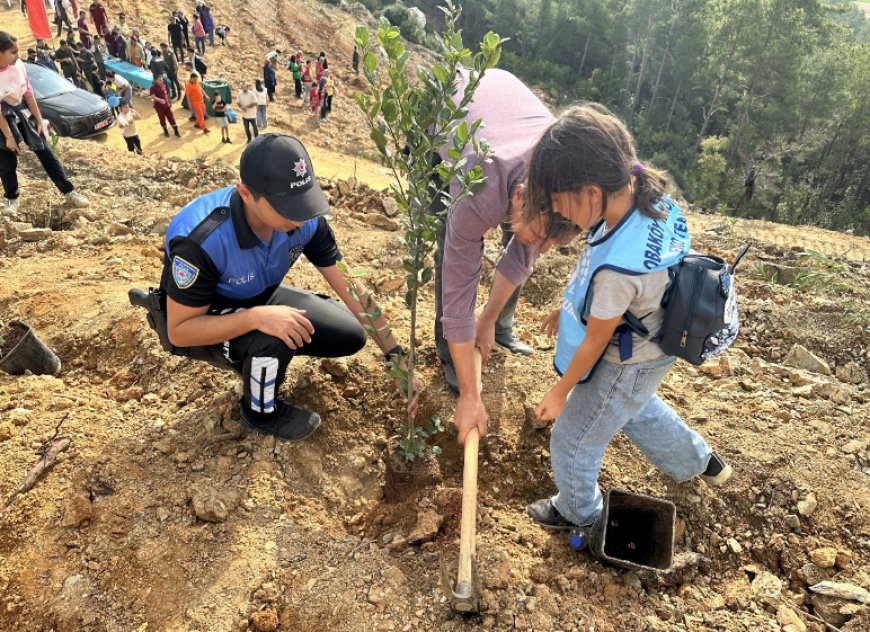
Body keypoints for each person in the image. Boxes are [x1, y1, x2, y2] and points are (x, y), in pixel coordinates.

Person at [521, 103, 732, 532]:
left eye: (561, 202)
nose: (560, 213)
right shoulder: (644, 198)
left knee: (574, 438)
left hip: (627, 357)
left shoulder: (620, 271)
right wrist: (565, 311)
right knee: (634, 408)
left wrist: (561, 391)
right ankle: (698, 461)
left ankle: (580, 514)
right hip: (654, 344)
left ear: (592, 192)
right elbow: (612, 297)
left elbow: (596, 341)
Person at [153, 133, 418, 440]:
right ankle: (260, 413)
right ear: (246, 194)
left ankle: (256, 353)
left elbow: (351, 287)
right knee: (272, 336)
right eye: (287, 206)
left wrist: (396, 357)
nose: (300, 216)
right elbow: (179, 331)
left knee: (349, 335)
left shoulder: (305, 221)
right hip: (203, 317)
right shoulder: (202, 239)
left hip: (260, 297)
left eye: (304, 201)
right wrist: (256, 319)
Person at [436, 70, 562, 438]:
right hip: (450, 121)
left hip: (508, 118)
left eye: (552, 242)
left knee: (526, 239)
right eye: (542, 236)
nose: (542, 249)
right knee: (451, 246)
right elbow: (460, 284)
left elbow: (526, 250)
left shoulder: (562, 176)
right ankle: (451, 353)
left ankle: (498, 325)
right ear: (520, 197)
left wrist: (487, 318)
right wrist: (472, 395)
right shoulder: (479, 188)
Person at [0, 32, 89, 213]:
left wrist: (39, 121)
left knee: (44, 151)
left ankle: (69, 191)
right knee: (6, 160)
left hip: (21, 110)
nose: (18, 56)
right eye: (13, 52)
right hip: (2, 117)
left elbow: (29, 93)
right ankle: (11, 198)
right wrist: (8, 136)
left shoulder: (18, 67)